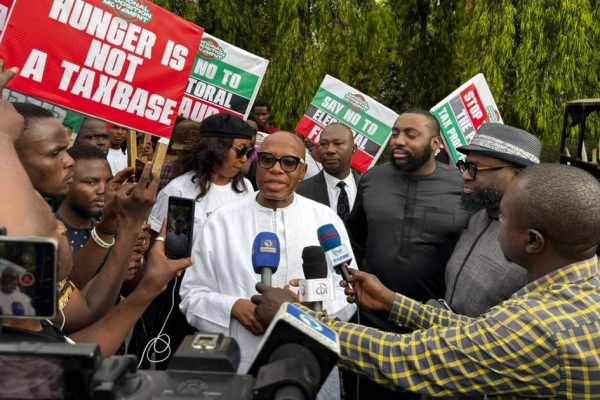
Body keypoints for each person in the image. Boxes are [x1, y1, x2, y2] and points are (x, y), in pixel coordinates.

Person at [253, 163, 600, 399]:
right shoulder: (578, 286)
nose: (495, 223)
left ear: (533, 241)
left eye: (504, 217)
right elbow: (476, 333)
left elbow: (406, 357)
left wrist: (296, 318)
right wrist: (393, 302)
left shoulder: (537, 326)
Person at [179, 132, 355, 397]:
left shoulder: (325, 220)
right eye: (268, 159)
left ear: (302, 170)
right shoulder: (222, 221)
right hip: (239, 362)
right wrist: (233, 308)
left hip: (307, 361)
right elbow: (192, 295)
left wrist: (302, 312)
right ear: (255, 163)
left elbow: (348, 292)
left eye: (289, 162)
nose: (276, 169)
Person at [344, 108, 469, 399]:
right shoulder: (372, 179)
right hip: (371, 320)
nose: (398, 141)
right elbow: (357, 237)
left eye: (411, 135)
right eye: (395, 133)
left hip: (433, 325)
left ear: (436, 145)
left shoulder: (461, 187)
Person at [443, 123, 542, 316]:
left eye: (475, 168)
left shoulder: (535, 243)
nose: (464, 175)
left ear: (517, 176)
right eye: (465, 165)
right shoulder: (477, 215)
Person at [297, 123, 359, 221]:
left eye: (338, 144)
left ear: (354, 149)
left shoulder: (369, 190)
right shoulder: (300, 192)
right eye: (323, 144)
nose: (330, 150)